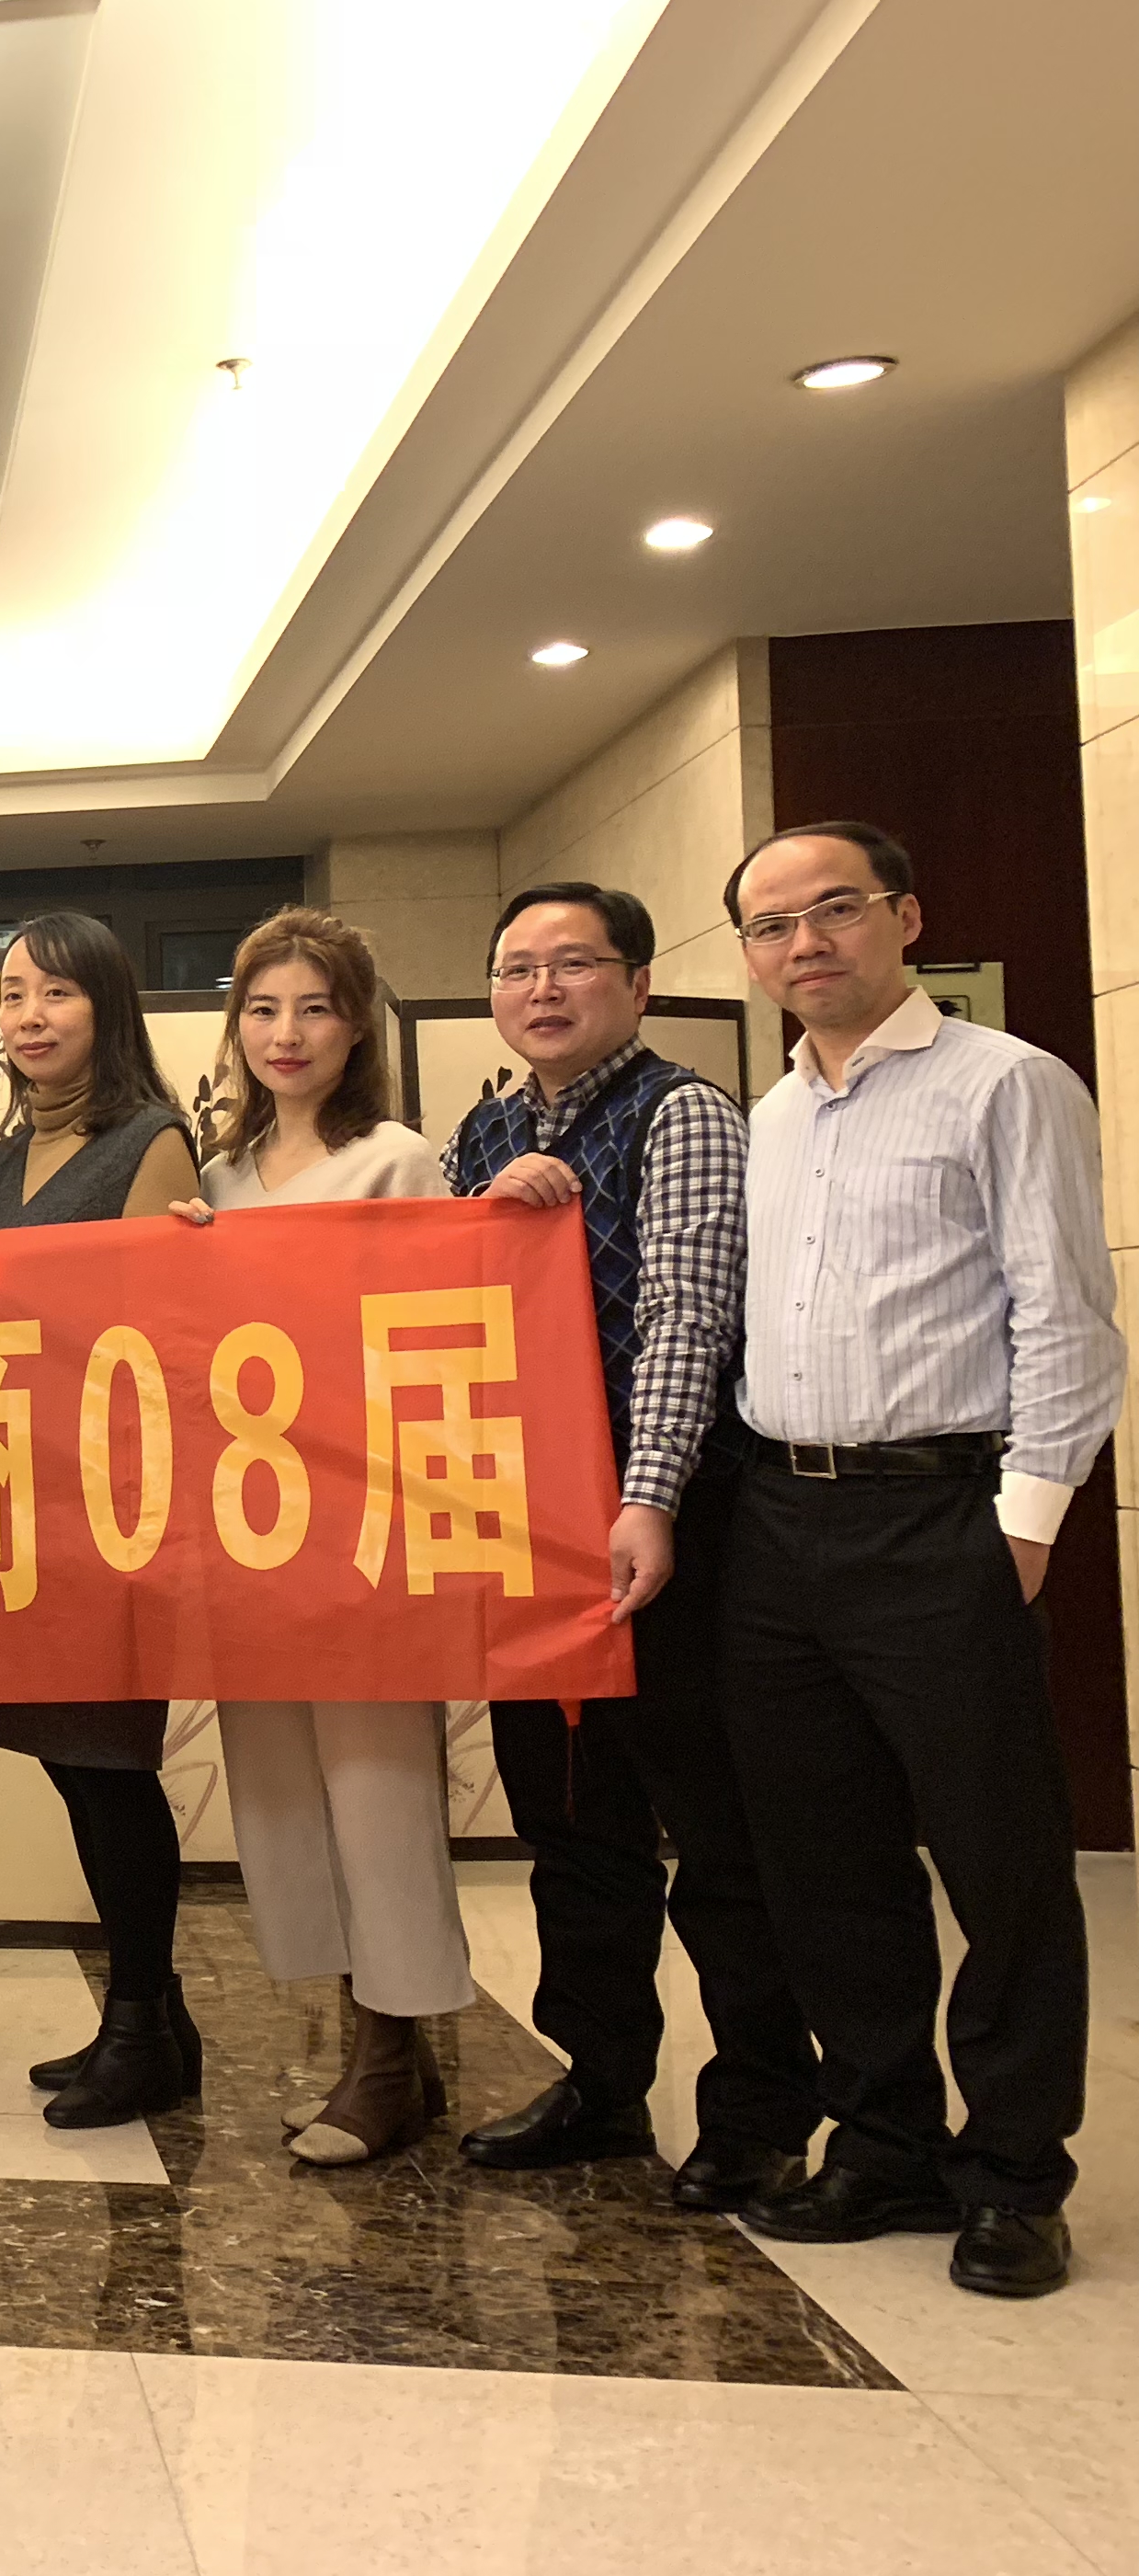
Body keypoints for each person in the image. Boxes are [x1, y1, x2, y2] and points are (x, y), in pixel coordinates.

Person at [716, 820, 1119, 2301]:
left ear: (906, 917)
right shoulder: (768, 1118)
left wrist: (1025, 1526)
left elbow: (1064, 1312)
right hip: (780, 1521)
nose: (804, 942)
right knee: (825, 1860)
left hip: (940, 1516)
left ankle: (1014, 2175)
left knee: (1001, 1863)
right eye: (772, 926)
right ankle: (882, 2140)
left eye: (834, 909)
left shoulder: (1005, 1083)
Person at [445, 881, 816, 2215]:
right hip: (528, 1531)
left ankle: (761, 2106)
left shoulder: (684, 1115)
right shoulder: (483, 1131)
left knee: (712, 1832)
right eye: (517, 969)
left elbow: (687, 1321)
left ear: (639, 984)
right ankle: (599, 2081)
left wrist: (644, 1496)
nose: (542, 990)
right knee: (569, 1824)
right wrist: (484, 1214)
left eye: (574, 965)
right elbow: (434, 1311)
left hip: (669, 1527)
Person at [174, 908, 472, 2166]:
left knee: (377, 1786)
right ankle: (374, 2047)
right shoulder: (222, 1175)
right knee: (287, 1788)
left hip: (365, 1518)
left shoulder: (396, 1159)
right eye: (262, 1010)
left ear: (358, 1026)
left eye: (313, 1009)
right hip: (252, 1522)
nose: (286, 1035)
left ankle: (391, 2056)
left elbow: (436, 1333)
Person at [0, 911, 205, 2130]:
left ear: (107, 1006)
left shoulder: (152, 1139)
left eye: (56, 993)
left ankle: (140, 2024)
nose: (31, 1017)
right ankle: (160, 2020)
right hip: (28, 1500)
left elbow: (157, 1339)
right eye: (13, 994)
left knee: (111, 1769)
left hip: (115, 1507)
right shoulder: (4, 1160)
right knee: (74, 1769)